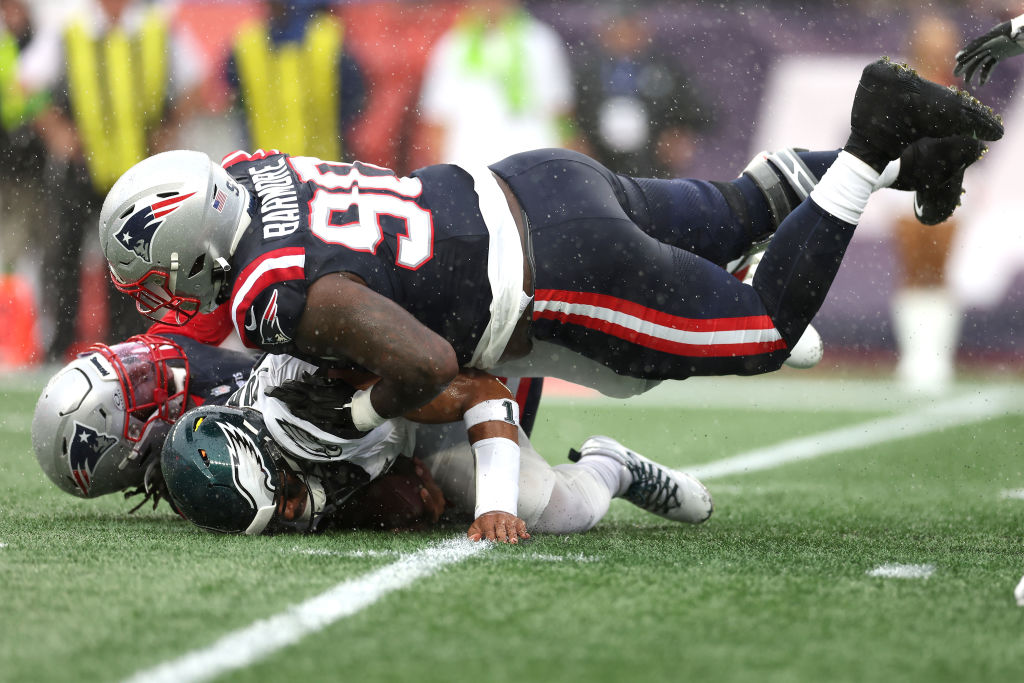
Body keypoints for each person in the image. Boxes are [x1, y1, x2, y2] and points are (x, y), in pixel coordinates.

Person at [97, 59, 1004, 438]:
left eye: (156, 277)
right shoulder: (255, 170)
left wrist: (360, 417)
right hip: (536, 180)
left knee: (762, 326)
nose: (161, 296)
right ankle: (918, 153)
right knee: (737, 208)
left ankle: (874, 139)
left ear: (189, 249)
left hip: (554, 271)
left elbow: (425, 358)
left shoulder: (269, 290)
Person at [32, 310, 713, 542]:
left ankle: (609, 464)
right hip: (374, 416)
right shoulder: (218, 458)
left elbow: (481, 393)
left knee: (543, 507)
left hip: (421, 384)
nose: (151, 363)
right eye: (139, 393)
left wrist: (495, 504)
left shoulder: (315, 393)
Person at [27, 0, 207, 361]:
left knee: (135, 257)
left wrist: (170, 128)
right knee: (64, 255)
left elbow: (199, 82)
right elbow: (27, 84)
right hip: (80, 168)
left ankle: (127, 345)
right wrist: (58, 131)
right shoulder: (70, 28)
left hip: (138, 171)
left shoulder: (158, 29)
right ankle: (60, 345)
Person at [417, 0, 575, 167]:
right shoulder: (453, 45)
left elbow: (560, 114)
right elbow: (436, 122)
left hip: (533, 165)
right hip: (470, 166)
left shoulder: (540, 41)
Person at [225, 0, 365, 161]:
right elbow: (356, 105)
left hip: (272, 172)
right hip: (318, 172)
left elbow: (231, 101)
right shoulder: (331, 38)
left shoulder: (247, 43)